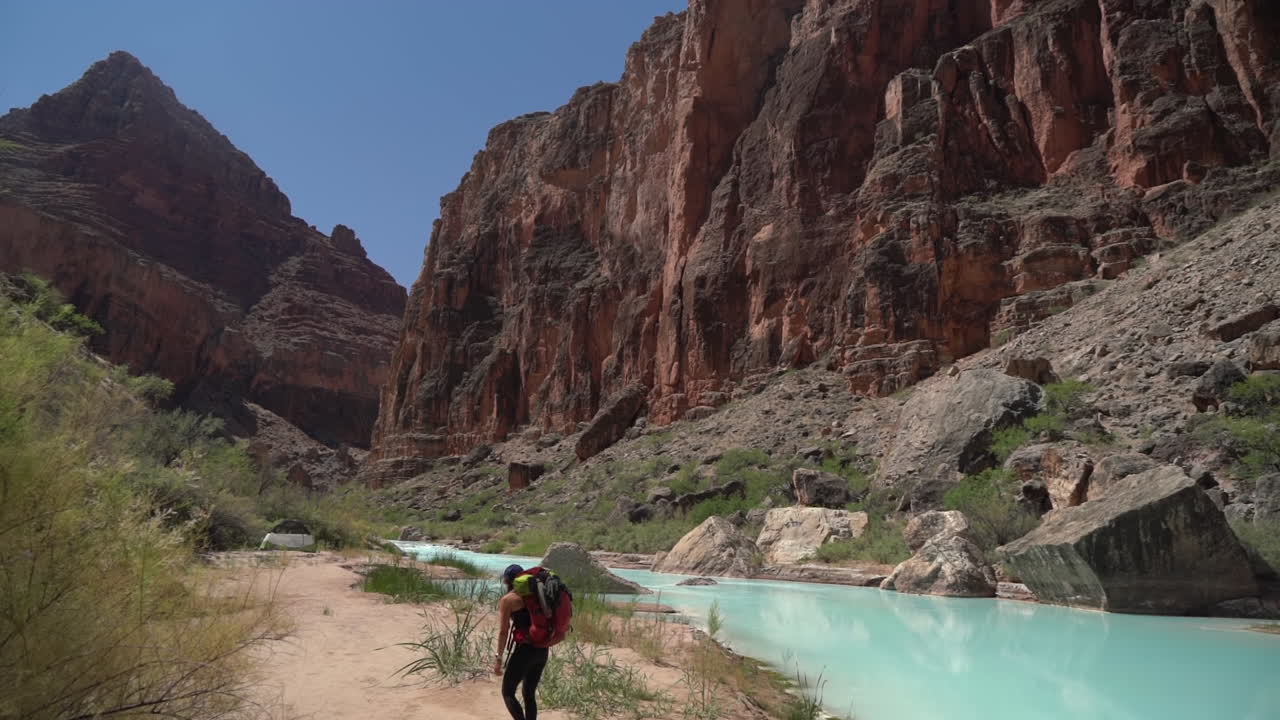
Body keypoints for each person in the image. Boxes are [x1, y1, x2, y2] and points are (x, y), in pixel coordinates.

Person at [494, 564, 548, 720]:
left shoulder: (509, 599)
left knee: (508, 692)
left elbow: (504, 631)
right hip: (543, 649)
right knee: (529, 694)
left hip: (525, 650)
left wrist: (499, 658)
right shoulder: (538, 595)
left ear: (507, 581)